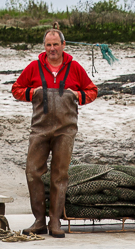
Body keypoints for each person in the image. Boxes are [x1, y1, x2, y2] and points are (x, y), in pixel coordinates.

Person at [12, 28, 97, 238]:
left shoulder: (75, 68)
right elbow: (16, 89)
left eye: (55, 44)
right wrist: (33, 92)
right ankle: (39, 220)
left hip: (65, 131)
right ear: (44, 47)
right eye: (48, 45)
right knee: (33, 172)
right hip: (39, 130)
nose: (52, 49)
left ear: (63, 45)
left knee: (60, 175)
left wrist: (77, 95)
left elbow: (92, 91)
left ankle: (55, 221)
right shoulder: (33, 67)